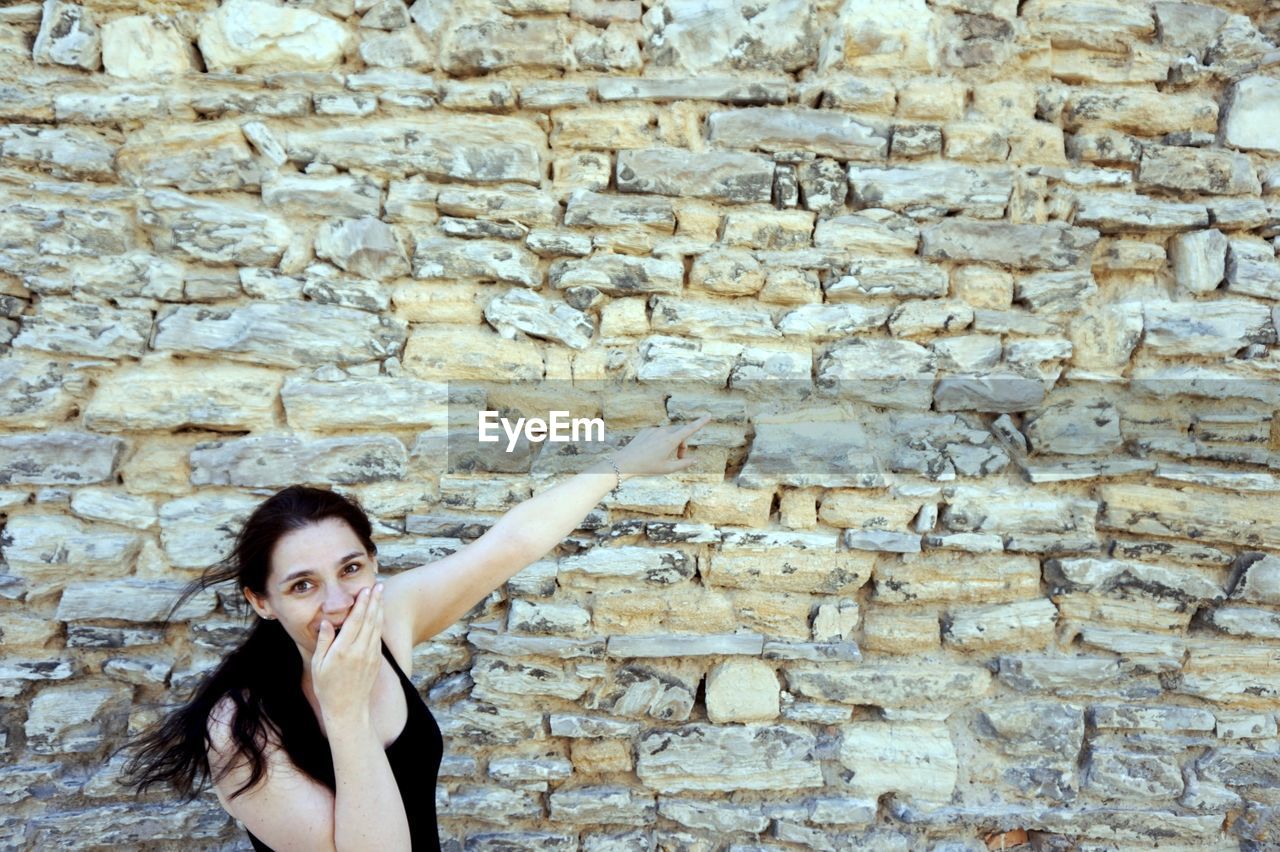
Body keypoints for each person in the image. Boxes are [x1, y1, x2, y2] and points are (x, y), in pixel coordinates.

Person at [122, 416, 710, 851]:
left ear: (373, 564)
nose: (338, 603)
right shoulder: (240, 729)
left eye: (351, 570)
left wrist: (623, 464)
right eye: (302, 586)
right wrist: (346, 713)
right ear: (262, 602)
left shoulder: (388, 615)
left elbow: (510, 545)